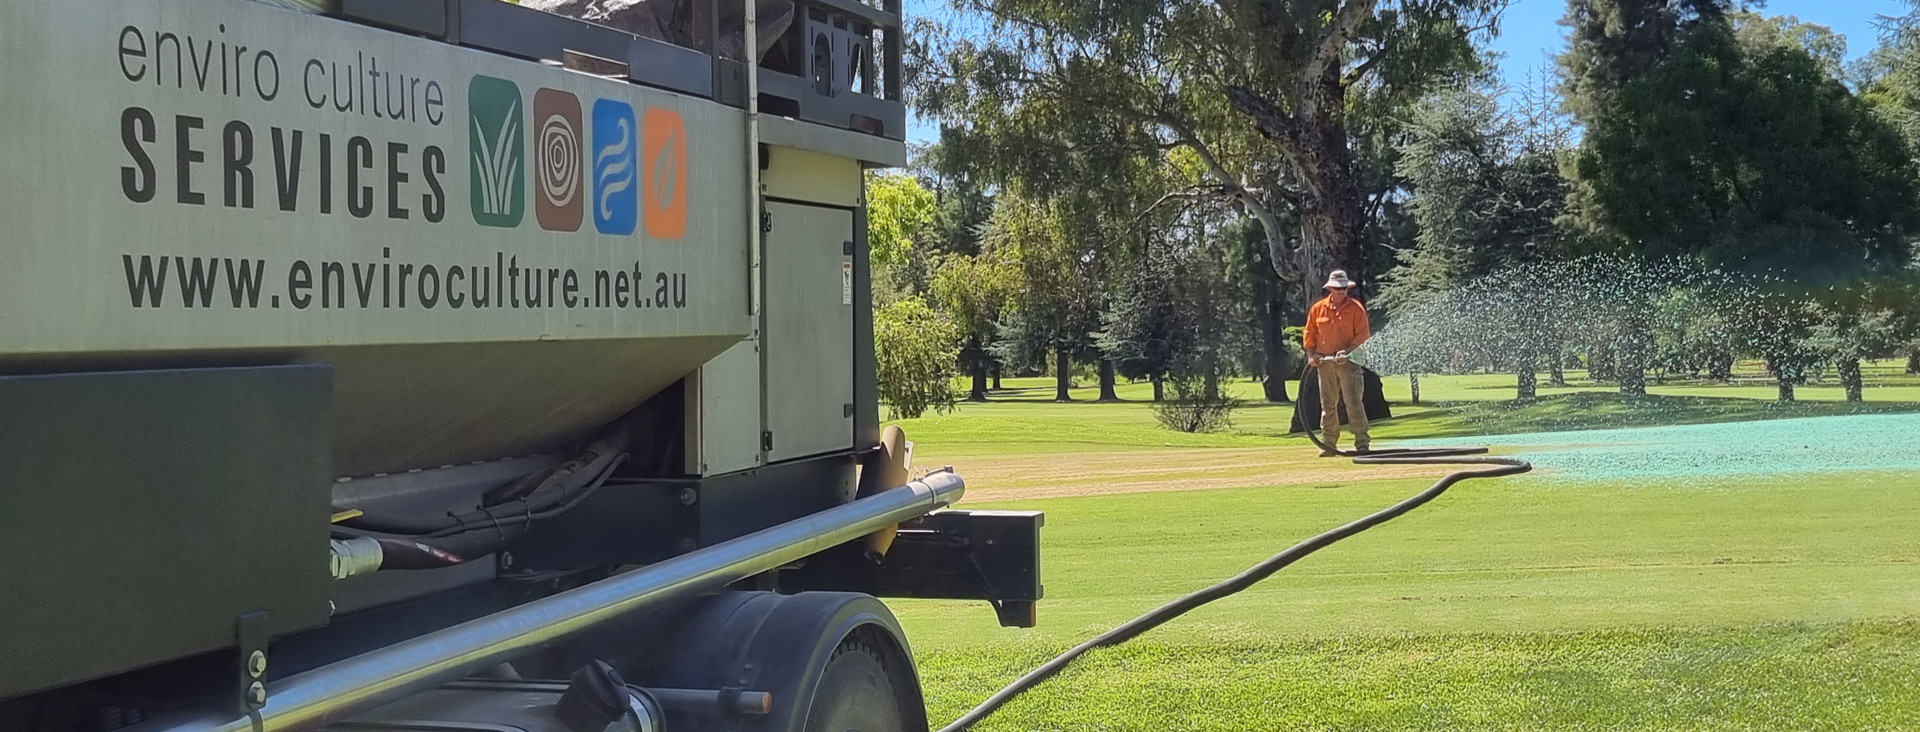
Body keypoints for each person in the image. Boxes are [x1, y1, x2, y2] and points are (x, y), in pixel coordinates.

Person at [1302, 269, 1371, 456]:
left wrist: (1347, 351)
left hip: (1349, 362)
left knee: (1353, 402)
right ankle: (1329, 444)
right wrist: (1312, 354)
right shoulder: (1318, 309)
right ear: (1330, 289)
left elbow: (1363, 334)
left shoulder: (1356, 308)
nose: (1341, 292)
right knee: (1328, 404)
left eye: (1343, 288)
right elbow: (1309, 334)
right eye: (1337, 288)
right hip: (1324, 362)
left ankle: (1362, 443)